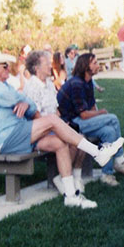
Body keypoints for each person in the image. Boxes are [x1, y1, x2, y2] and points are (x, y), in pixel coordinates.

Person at [0, 46, 123, 209]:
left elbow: (28, 103)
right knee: (52, 120)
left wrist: (24, 102)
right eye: (4, 65)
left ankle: (71, 195)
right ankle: (97, 152)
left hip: (18, 133)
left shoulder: (5, 84)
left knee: (59, 143)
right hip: (4, 138)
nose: (8, 68)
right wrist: (22, 101)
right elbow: (13, 98)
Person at [57, 53, 124, 186]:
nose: (98, 65)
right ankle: (120, 160)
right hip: (70, 124)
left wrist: (99, 116)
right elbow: (84, 115)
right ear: (86, 67)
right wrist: (102, 113)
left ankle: (107, 174)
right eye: (95, 63)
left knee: (108, 132)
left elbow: (91, 108)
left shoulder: (88, 81)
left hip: (81, 120)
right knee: (112, 118)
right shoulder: (76, 83)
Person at [24, 50, 87, 193]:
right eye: (47, 63)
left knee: (81, 139)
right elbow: (36, 116)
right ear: (36, 68)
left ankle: (74, 178)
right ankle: (67, 179)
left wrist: (63, 124)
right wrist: (59, 129)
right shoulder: (32, 87)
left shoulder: (49, 83)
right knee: (70, 141)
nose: (50, 66)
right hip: (40, 131)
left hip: (54, 125)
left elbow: (56, 110)